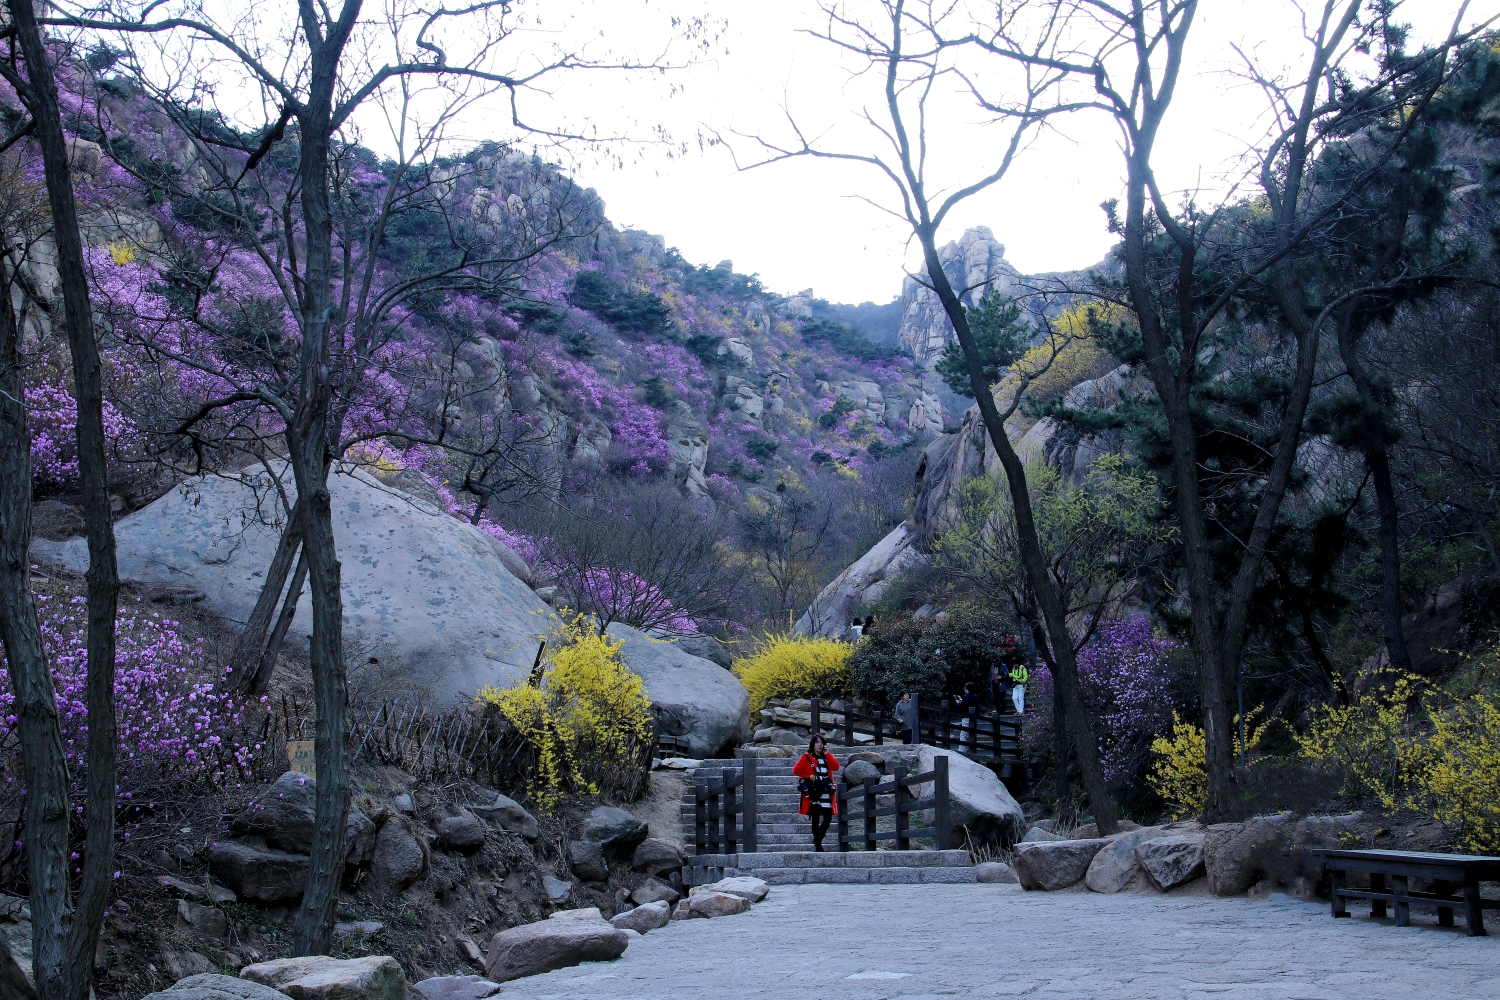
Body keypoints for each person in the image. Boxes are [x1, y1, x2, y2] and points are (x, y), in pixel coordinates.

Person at [793, 734, 841, 851]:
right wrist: (808, 775)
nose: (819, 744)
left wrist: (827, 754)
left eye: (821, 742)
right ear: (813, 744)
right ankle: (818, 846)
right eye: (817, 742)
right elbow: (796, 770)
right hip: (814, 792)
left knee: (828, 818)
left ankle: (817, 838)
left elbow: (836, 767)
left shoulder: (826, 757)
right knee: (815, 819)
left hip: (826, 792)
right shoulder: (806, 757)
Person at [956, 681, 980, 749]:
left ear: (967, 689)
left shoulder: (966, 697)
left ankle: (962, 750)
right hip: (974, 718)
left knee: (963, 734)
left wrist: (958, 703)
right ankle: (971, 750)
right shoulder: (976, 697)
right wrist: (961, 699)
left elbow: (960, 706)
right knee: (972, 734)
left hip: (966, 717)